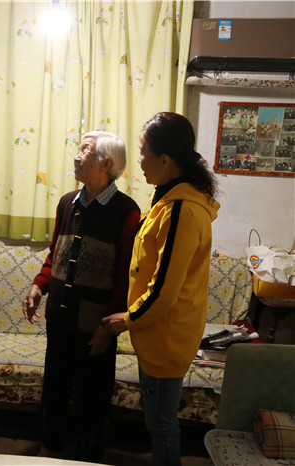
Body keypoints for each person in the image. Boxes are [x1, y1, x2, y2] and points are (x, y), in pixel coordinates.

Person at [103, 112, 219, 466]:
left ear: (165, 160)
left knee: (162, 425)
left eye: (143, 152)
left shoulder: (182, 210)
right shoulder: (168, 198)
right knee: (158, 422)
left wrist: (127, 319)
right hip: (158, 331)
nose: (138, 160)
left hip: (166, 335)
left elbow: (165, 289)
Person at [23, 132, 140, 462]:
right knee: (54, 388)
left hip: (96, 322)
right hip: (59, 316)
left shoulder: (127, 212)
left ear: (105, 163)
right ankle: (50, 448)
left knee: (94, 395)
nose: (76, 156)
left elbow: (126, 275)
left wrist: (108, 325)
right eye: (78, 149)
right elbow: (55, 254)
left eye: (85, 150)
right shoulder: (67, 203)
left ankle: (90, 456)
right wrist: (38, 286)